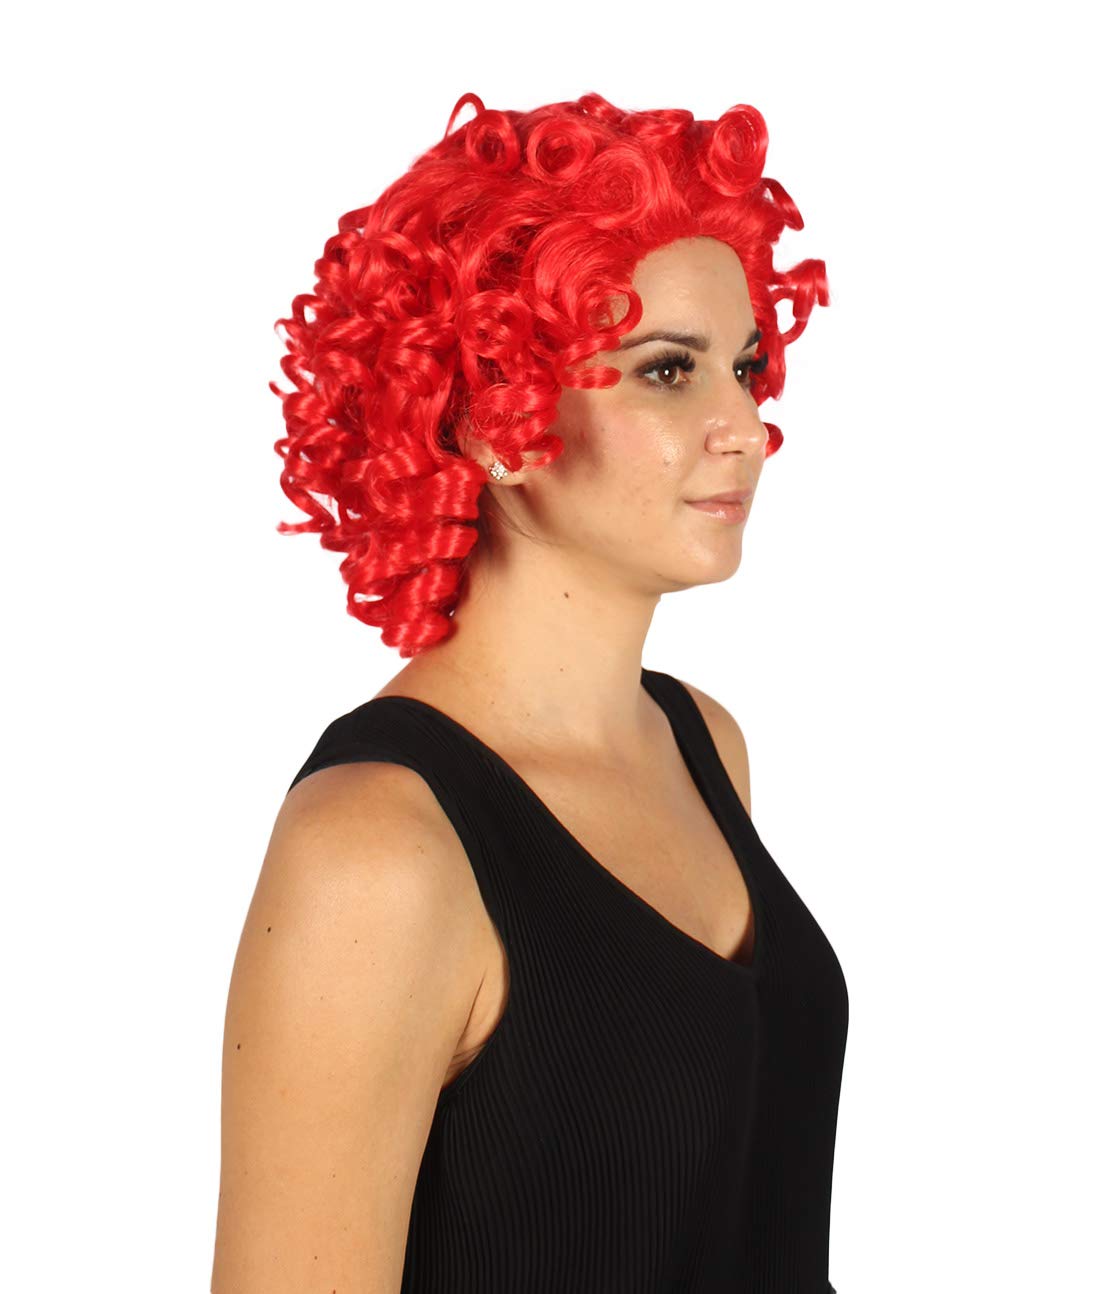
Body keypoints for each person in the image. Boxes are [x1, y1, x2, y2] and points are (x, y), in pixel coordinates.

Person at [211, 91, 848, 1294]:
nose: (743, 426)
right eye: (668, 371)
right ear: (492, 420)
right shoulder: (378, 847)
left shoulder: (700, 744)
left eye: (745, 368)